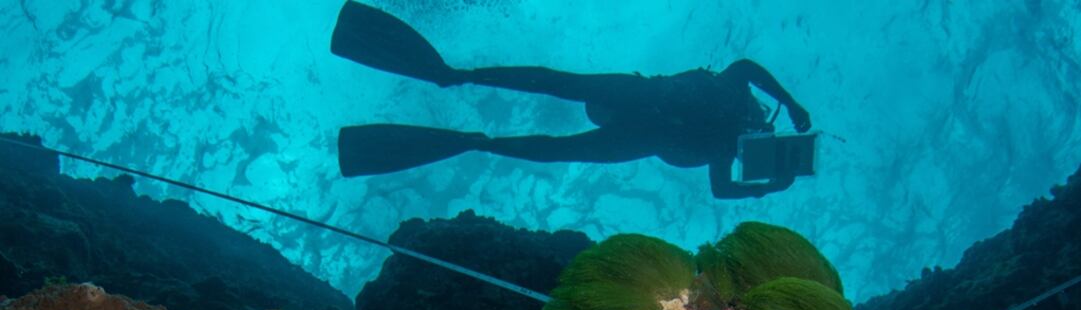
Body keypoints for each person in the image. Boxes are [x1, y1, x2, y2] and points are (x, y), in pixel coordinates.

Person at [331, 1, 813, 199]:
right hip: (641, 103)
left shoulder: (726, 150)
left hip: (639, 128)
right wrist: (789, 102)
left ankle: (464, 116)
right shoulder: (734, 95)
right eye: (765, 120)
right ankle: (452, 79)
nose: (760, 124)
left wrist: (770, 184)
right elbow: (747, 67)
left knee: (560, 122)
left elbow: (721, 189)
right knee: (557, 87)